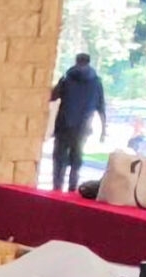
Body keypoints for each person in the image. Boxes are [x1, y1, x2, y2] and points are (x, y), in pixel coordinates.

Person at [51, 53, 107, 192]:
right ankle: (72, 188)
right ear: (89, 62)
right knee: (76, 158)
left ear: (76, 61)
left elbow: (52, 96)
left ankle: (56, 187)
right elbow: (101, 107)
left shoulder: (67, 78)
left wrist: (59, 83)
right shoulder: (96, 82)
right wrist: (103, 131)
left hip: (64, 125)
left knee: (59, 158)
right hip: (83, 127)